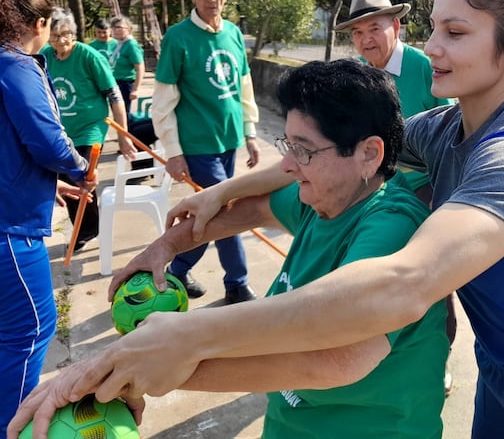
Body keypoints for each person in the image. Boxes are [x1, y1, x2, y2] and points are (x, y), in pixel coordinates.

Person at [11, 0, 504, 438]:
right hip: (502, 377)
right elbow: (327, 152)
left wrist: (186, 339)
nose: (433, 47)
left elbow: (401, 284)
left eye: (457, 33)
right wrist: (215, 201)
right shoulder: (443, 129)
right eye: (434, 28)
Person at [9, 60, 449, 439]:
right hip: (293, 424)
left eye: (305, 150)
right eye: (288, 145)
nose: (289, 166)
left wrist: (147, 369)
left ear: (370, 154)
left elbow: (336, 358)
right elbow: (249, 210)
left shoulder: (391, 227)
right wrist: (163, 247)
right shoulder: (321, 197)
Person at [336, 0, 457, 394]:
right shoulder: (358, 74)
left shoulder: (427, 68)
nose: (367, 39)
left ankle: (438, 360)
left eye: (375, 28)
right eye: (358, 33)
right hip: (379, 191)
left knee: (435, 282)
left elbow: (457, 129)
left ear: (397, 26)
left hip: (427, 190)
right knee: (376, 276)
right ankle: (375, 353)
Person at [0, 0, 96, 435]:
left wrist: (48, 184)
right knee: (33, 329)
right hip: (9, 232)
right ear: (38, 24)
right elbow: (47, 140)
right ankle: (13, 425)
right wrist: (77, 167)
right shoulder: (15, 65)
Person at [151, 0, 260, 304]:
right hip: (197, 145)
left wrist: (250, 132)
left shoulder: (233, 34)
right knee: (226, 212)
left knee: (209, 212)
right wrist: (173, 152)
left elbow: (244, 87)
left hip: (228, 140)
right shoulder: (178, 38)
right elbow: (163, 101)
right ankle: (237, 283)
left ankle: (179, 269)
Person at [41, 8, 136, 251]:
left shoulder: (89, 56)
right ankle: (86, 225)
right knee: (63, 177)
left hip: (90, 128)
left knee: (80, 175)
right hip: (62, 130)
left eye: (65, 35)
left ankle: (86, 231)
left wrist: (123, 136)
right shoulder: (45, 56)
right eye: (54, 36)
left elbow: (114, 95)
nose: (60, 41)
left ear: (73, 33)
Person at [107, 15, 145, 115]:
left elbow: (140, 68)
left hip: (125, 83)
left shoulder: (131, 45)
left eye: (119, 27)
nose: (116, 30)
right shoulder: (119, 44)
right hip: (115, 83)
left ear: (129, 29)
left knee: (123, 115)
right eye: (114, 28)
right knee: (117, 115)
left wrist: (135, 89)